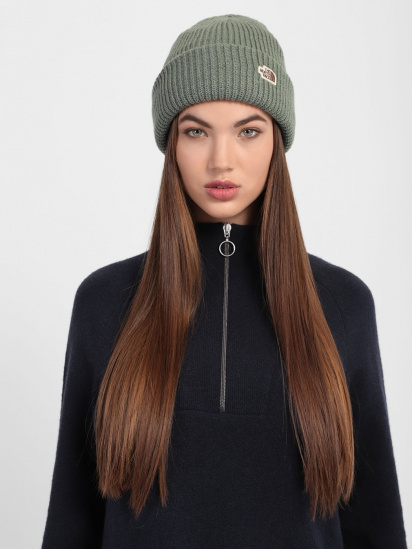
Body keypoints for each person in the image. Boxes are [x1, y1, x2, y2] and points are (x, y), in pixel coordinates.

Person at [41, 14, 408, 548]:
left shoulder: (344, 305)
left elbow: (375, 523)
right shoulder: (104, 302)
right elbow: (71, 518)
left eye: (248, 131)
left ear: (277, 141)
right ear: (171, 143)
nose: (221, 160)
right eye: (196, 131)